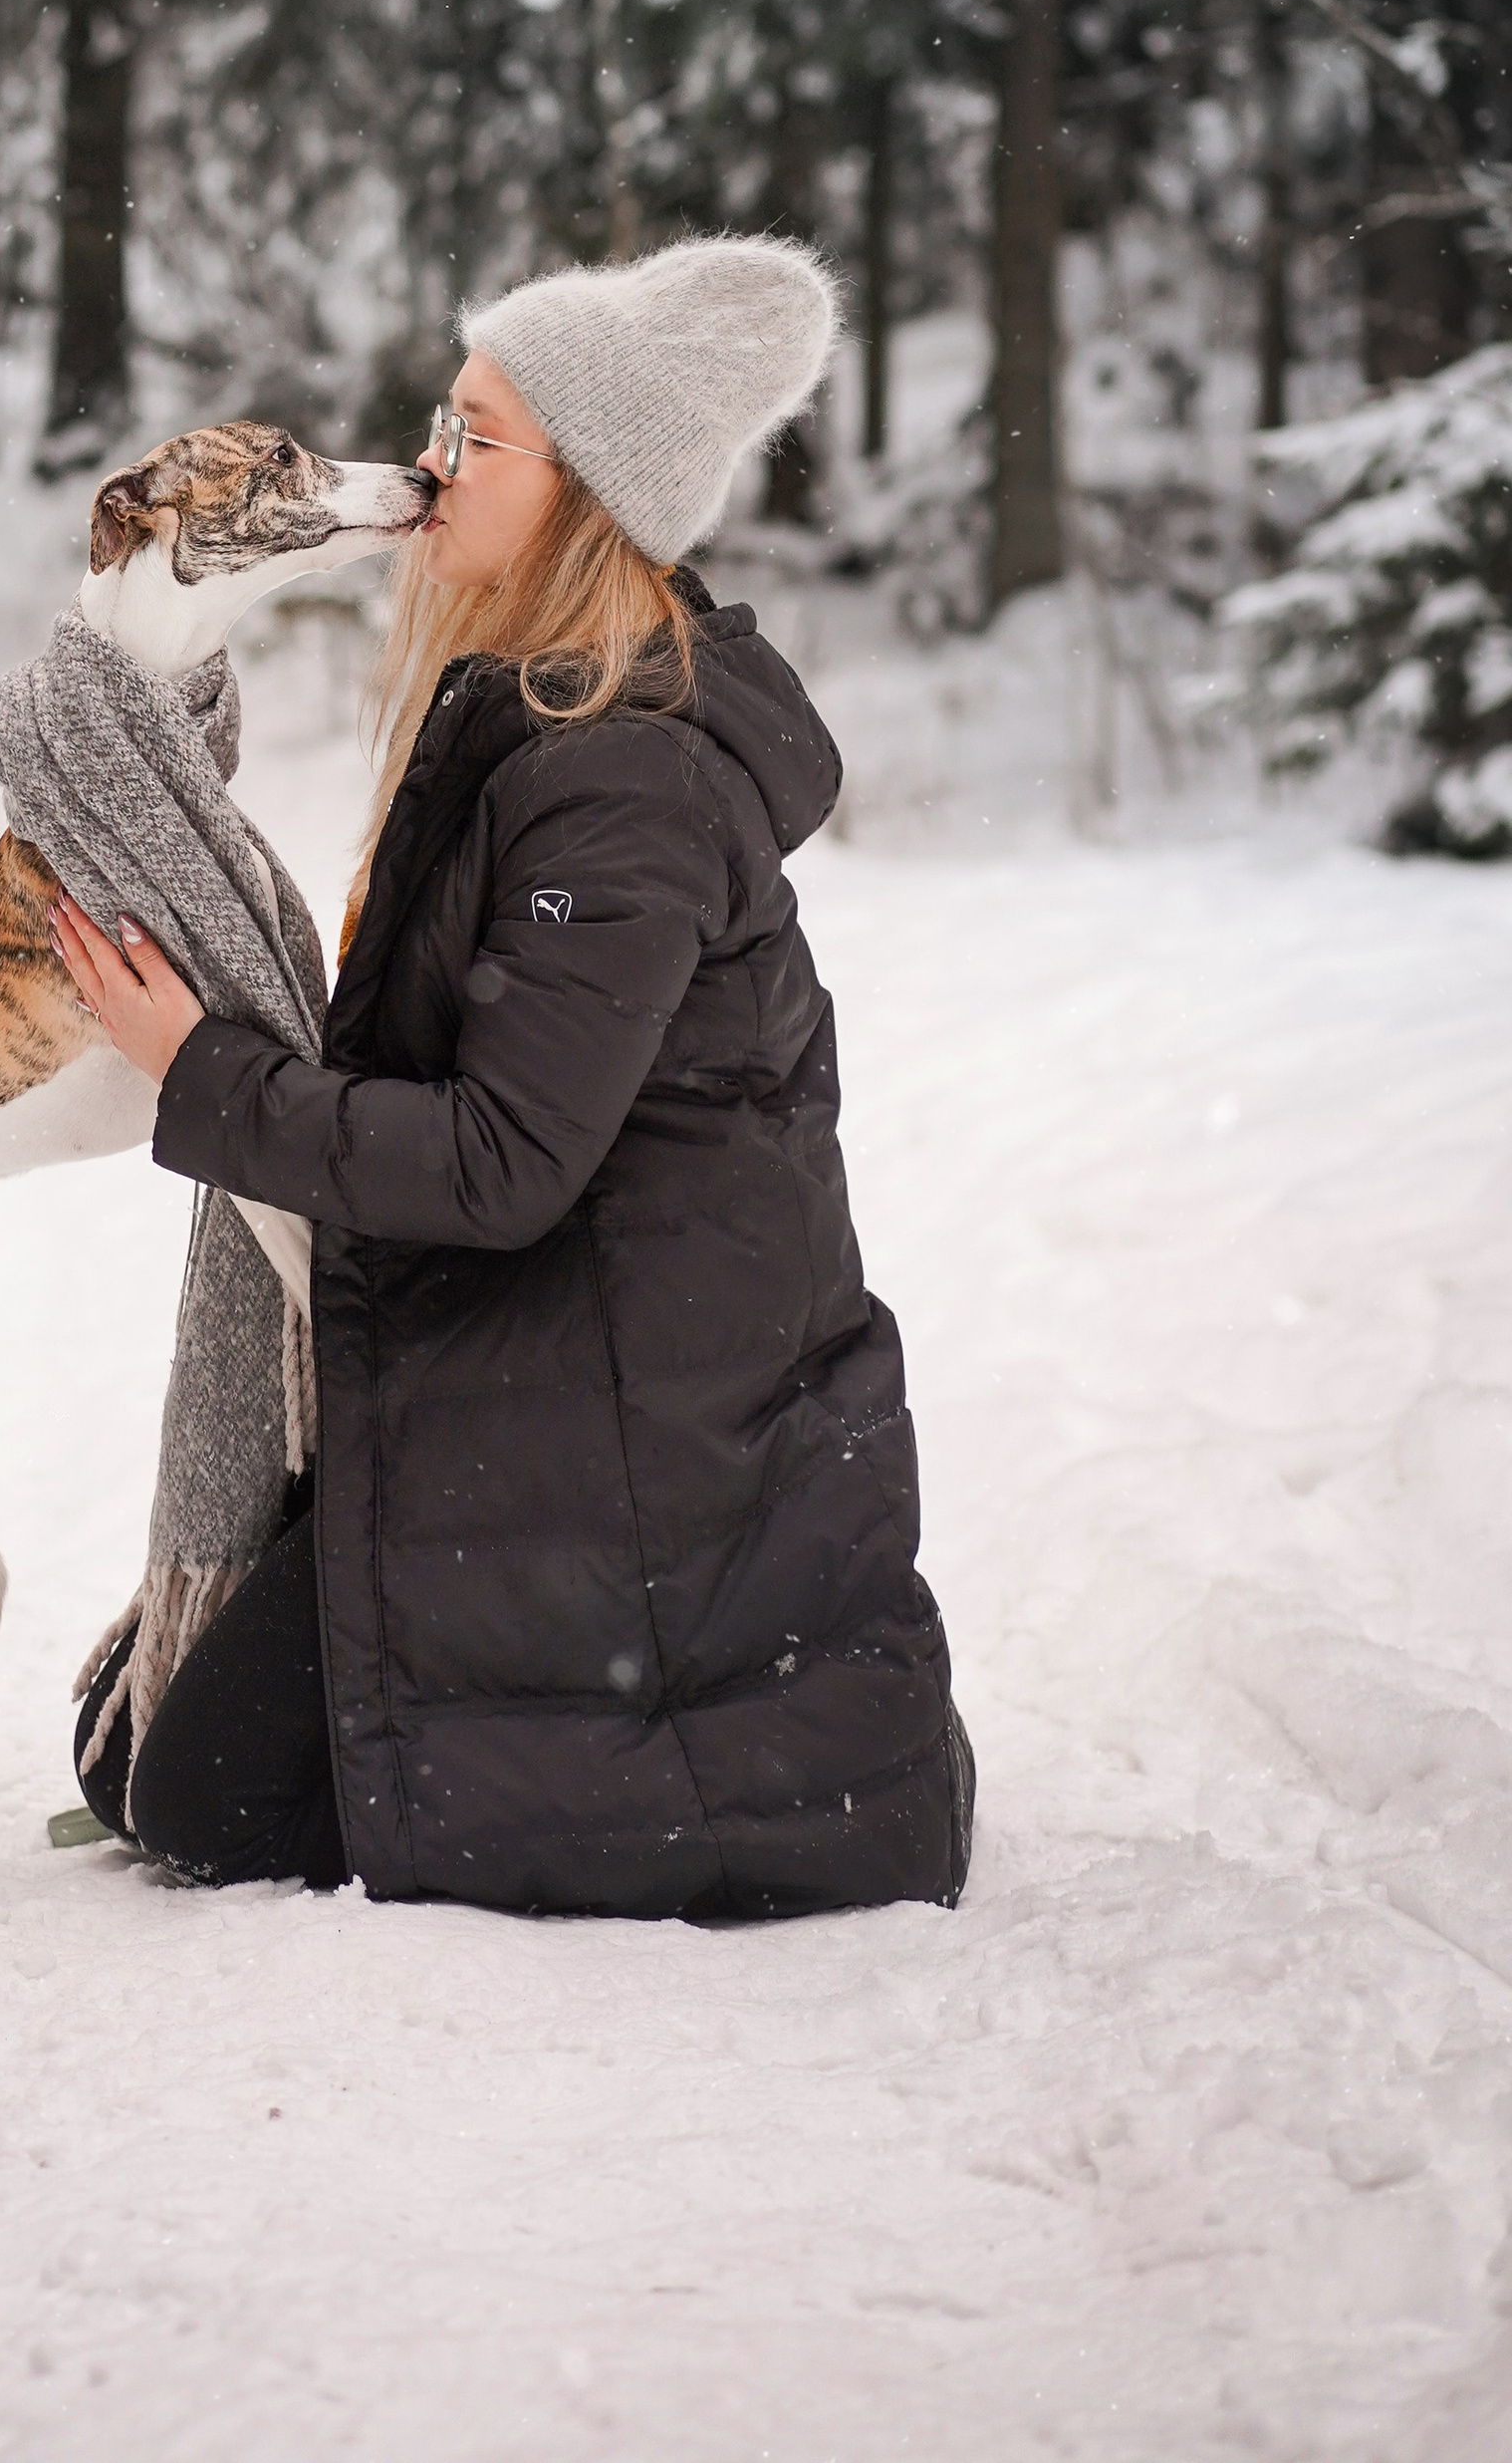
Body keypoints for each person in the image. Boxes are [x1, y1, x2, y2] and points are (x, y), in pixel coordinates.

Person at [50, 234, 972, 1921]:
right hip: (571, 1384)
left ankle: (754, 1771)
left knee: (180, 1787)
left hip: (645, 1470)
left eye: (479, 433)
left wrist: (207, 1072)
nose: (430, 461)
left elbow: (499, 1166)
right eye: (443, 415)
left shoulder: (618, 782)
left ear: (587, 495)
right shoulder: (551, 723)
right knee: (136, 1752)